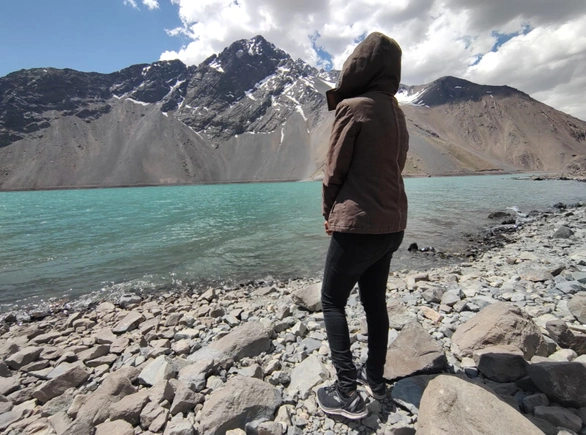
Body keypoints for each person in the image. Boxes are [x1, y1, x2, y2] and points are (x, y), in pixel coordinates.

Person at [316, 32, 409, 420]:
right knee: (375, 303)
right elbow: (397, 165)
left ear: (360, 65)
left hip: (357, 225)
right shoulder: (397, 111)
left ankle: (346, 393)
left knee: (332, 300)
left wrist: (328, 213)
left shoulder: (352, 108)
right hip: (393, 224)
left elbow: (334, 171)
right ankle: (375, 377)